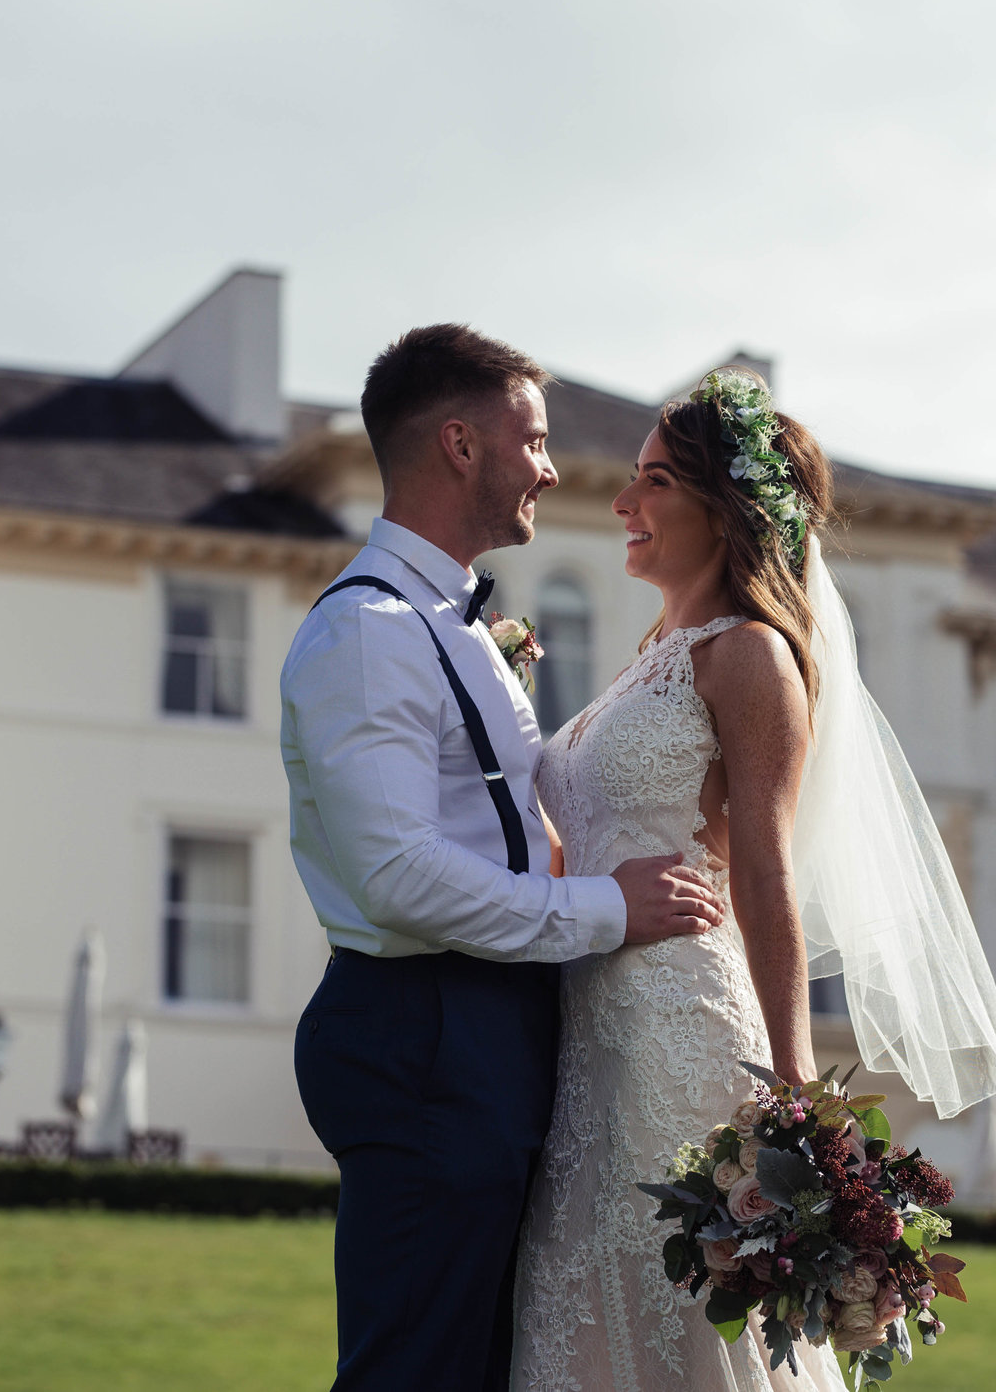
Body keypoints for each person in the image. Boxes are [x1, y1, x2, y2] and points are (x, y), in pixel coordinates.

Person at [510, 368, 996, 1391]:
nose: (622, 504)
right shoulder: (648, 658)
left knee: (681, 1322)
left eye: (652, 482)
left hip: (679, 1029)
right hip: (588, 1028)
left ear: (723, 507)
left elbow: (765, 868)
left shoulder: (748, 657)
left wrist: (791, 1096)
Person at [285, 324, 728, 1392]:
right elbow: (397, 875)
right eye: (530, 438)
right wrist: (605, 909)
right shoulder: (369, 633)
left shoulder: (457, 628)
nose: (547, 463)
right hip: (426, 1034)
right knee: (419, 1368)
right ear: (459, 445)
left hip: (482, 1032)